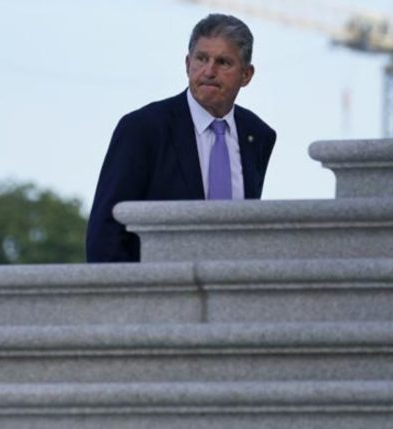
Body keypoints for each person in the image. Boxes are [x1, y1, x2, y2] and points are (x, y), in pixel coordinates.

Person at [86, 13, 276, 262]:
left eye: (223, 62)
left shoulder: (258, 134)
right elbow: (106, 230)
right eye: (201, 59)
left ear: (246, 75)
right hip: (157, 291)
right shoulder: (143, 128)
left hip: (230, 291)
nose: (209, 71)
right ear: (187, 64)